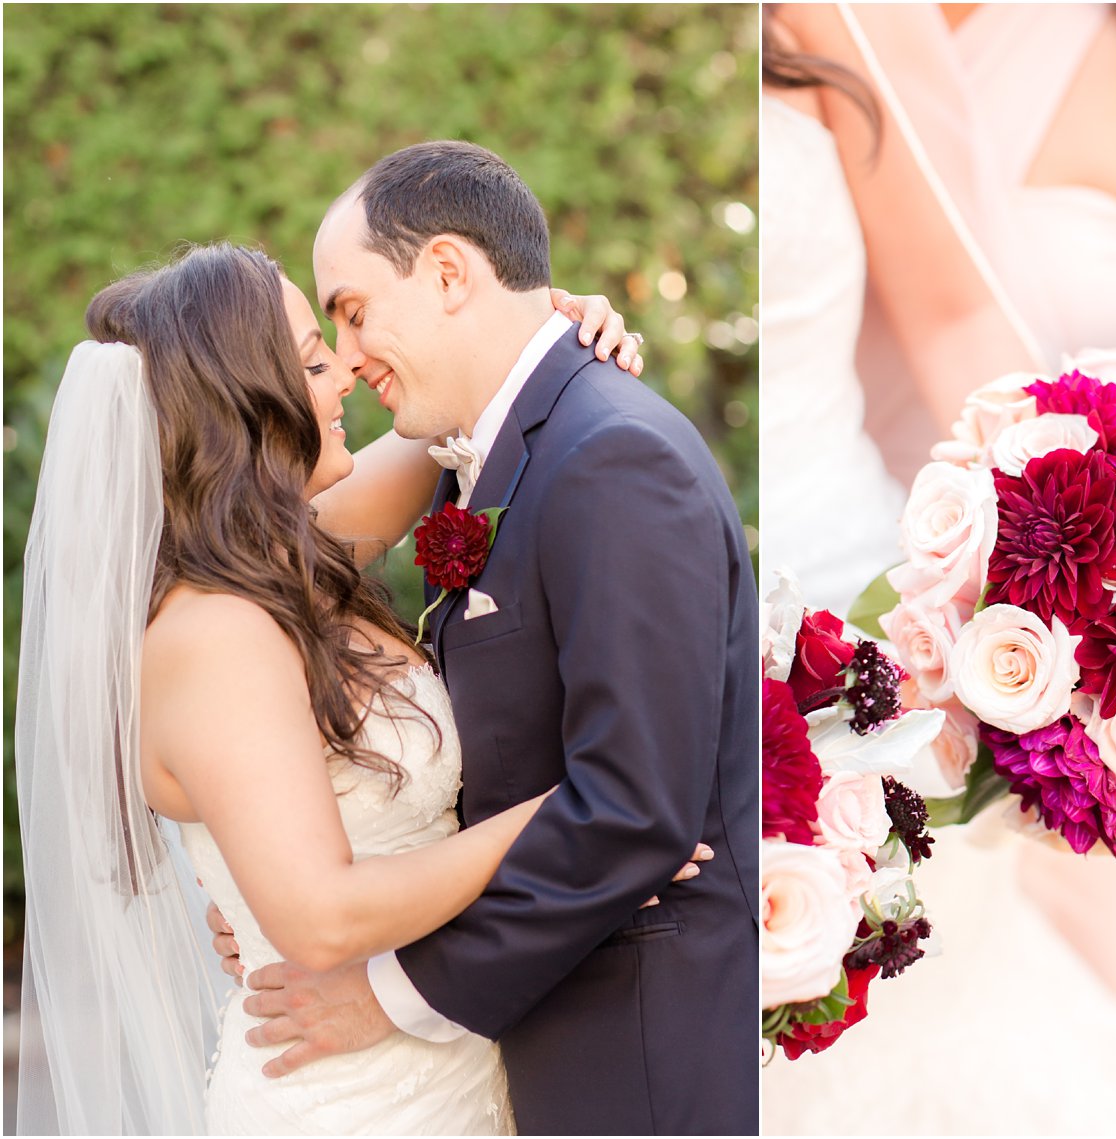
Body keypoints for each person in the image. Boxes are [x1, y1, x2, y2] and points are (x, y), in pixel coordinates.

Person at [13, 234, 713, 1134]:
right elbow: (320, 916)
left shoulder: (289, 561)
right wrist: (584, 818)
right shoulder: (211, 635)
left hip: (458, 1057)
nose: (346, 369)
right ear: (243, 407)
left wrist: (543, 327)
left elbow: (457, 412)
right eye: (312, 359)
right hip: (347, 1095)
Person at [215, 141, 760, 1137]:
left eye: (350, 310)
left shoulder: (607, 456)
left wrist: (385, 992)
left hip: (629, 1055)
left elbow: (636, 808)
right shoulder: (492, 458)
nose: (346, 356)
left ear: (450, 272)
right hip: (527, 1045)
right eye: (321, 340)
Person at [759, 7, 1116, 1132]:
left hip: (874, 634)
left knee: (924, 1002)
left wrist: (1078, 564)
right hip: (644, 617)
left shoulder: (835, 16)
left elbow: (955, 308)